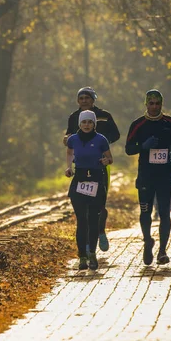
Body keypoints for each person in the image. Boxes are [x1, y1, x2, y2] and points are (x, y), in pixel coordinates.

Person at [125, 89, 171, 265]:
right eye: (151, 103)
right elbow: (128, 149)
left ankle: (162, 251)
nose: (154, 107)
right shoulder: (138, 124)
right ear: (146, 104)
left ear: (161, 104)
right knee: (145, 212)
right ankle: (147, 241)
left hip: (164, 175)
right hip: (146, 176)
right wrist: (143, 146)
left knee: (164, 212)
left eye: (157, 103)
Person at [63, 87, 120, 252]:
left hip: (100, 163)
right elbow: (68, 138)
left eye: (87, 98)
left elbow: (115, 134)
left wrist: (100, 143)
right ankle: (87, 243)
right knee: (82, 204)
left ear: (93, 99)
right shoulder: (74, 117)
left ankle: (100, 231)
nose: (84, 101)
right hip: (81, 164)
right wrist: (67, 139)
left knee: (99, 202)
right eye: (81, 98)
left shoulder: (105, 115)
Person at [65, 110, 113, 271]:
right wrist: (68, 167)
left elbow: (110, 158)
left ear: (94, 124)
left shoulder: (101, 139)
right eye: (84, 122)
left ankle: (92, 253)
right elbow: (69, 153)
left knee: (93, 220)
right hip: (79, 180)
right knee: (81, 220)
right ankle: (82, 257)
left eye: (90, 122)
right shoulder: (73, 139)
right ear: (80, 124)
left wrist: (106, 160)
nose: (86, 125)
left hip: (96, 180)